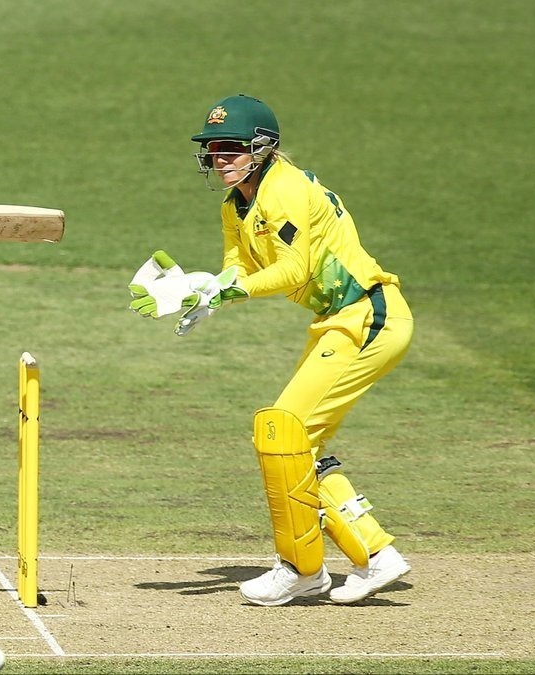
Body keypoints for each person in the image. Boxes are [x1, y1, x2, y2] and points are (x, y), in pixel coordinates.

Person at [128, 93, 413, 606]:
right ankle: (375, 556)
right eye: (212, 150)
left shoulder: (283, 190)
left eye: (229, 149)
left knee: (283, 429)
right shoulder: (234, 204)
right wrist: (200, 290)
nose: (219, 160)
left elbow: (293, 272)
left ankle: (303, 569)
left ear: (262, 148)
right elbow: (240, 267)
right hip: (338, 322)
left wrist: (222, 290)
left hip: (370, 316)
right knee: (294, 442)